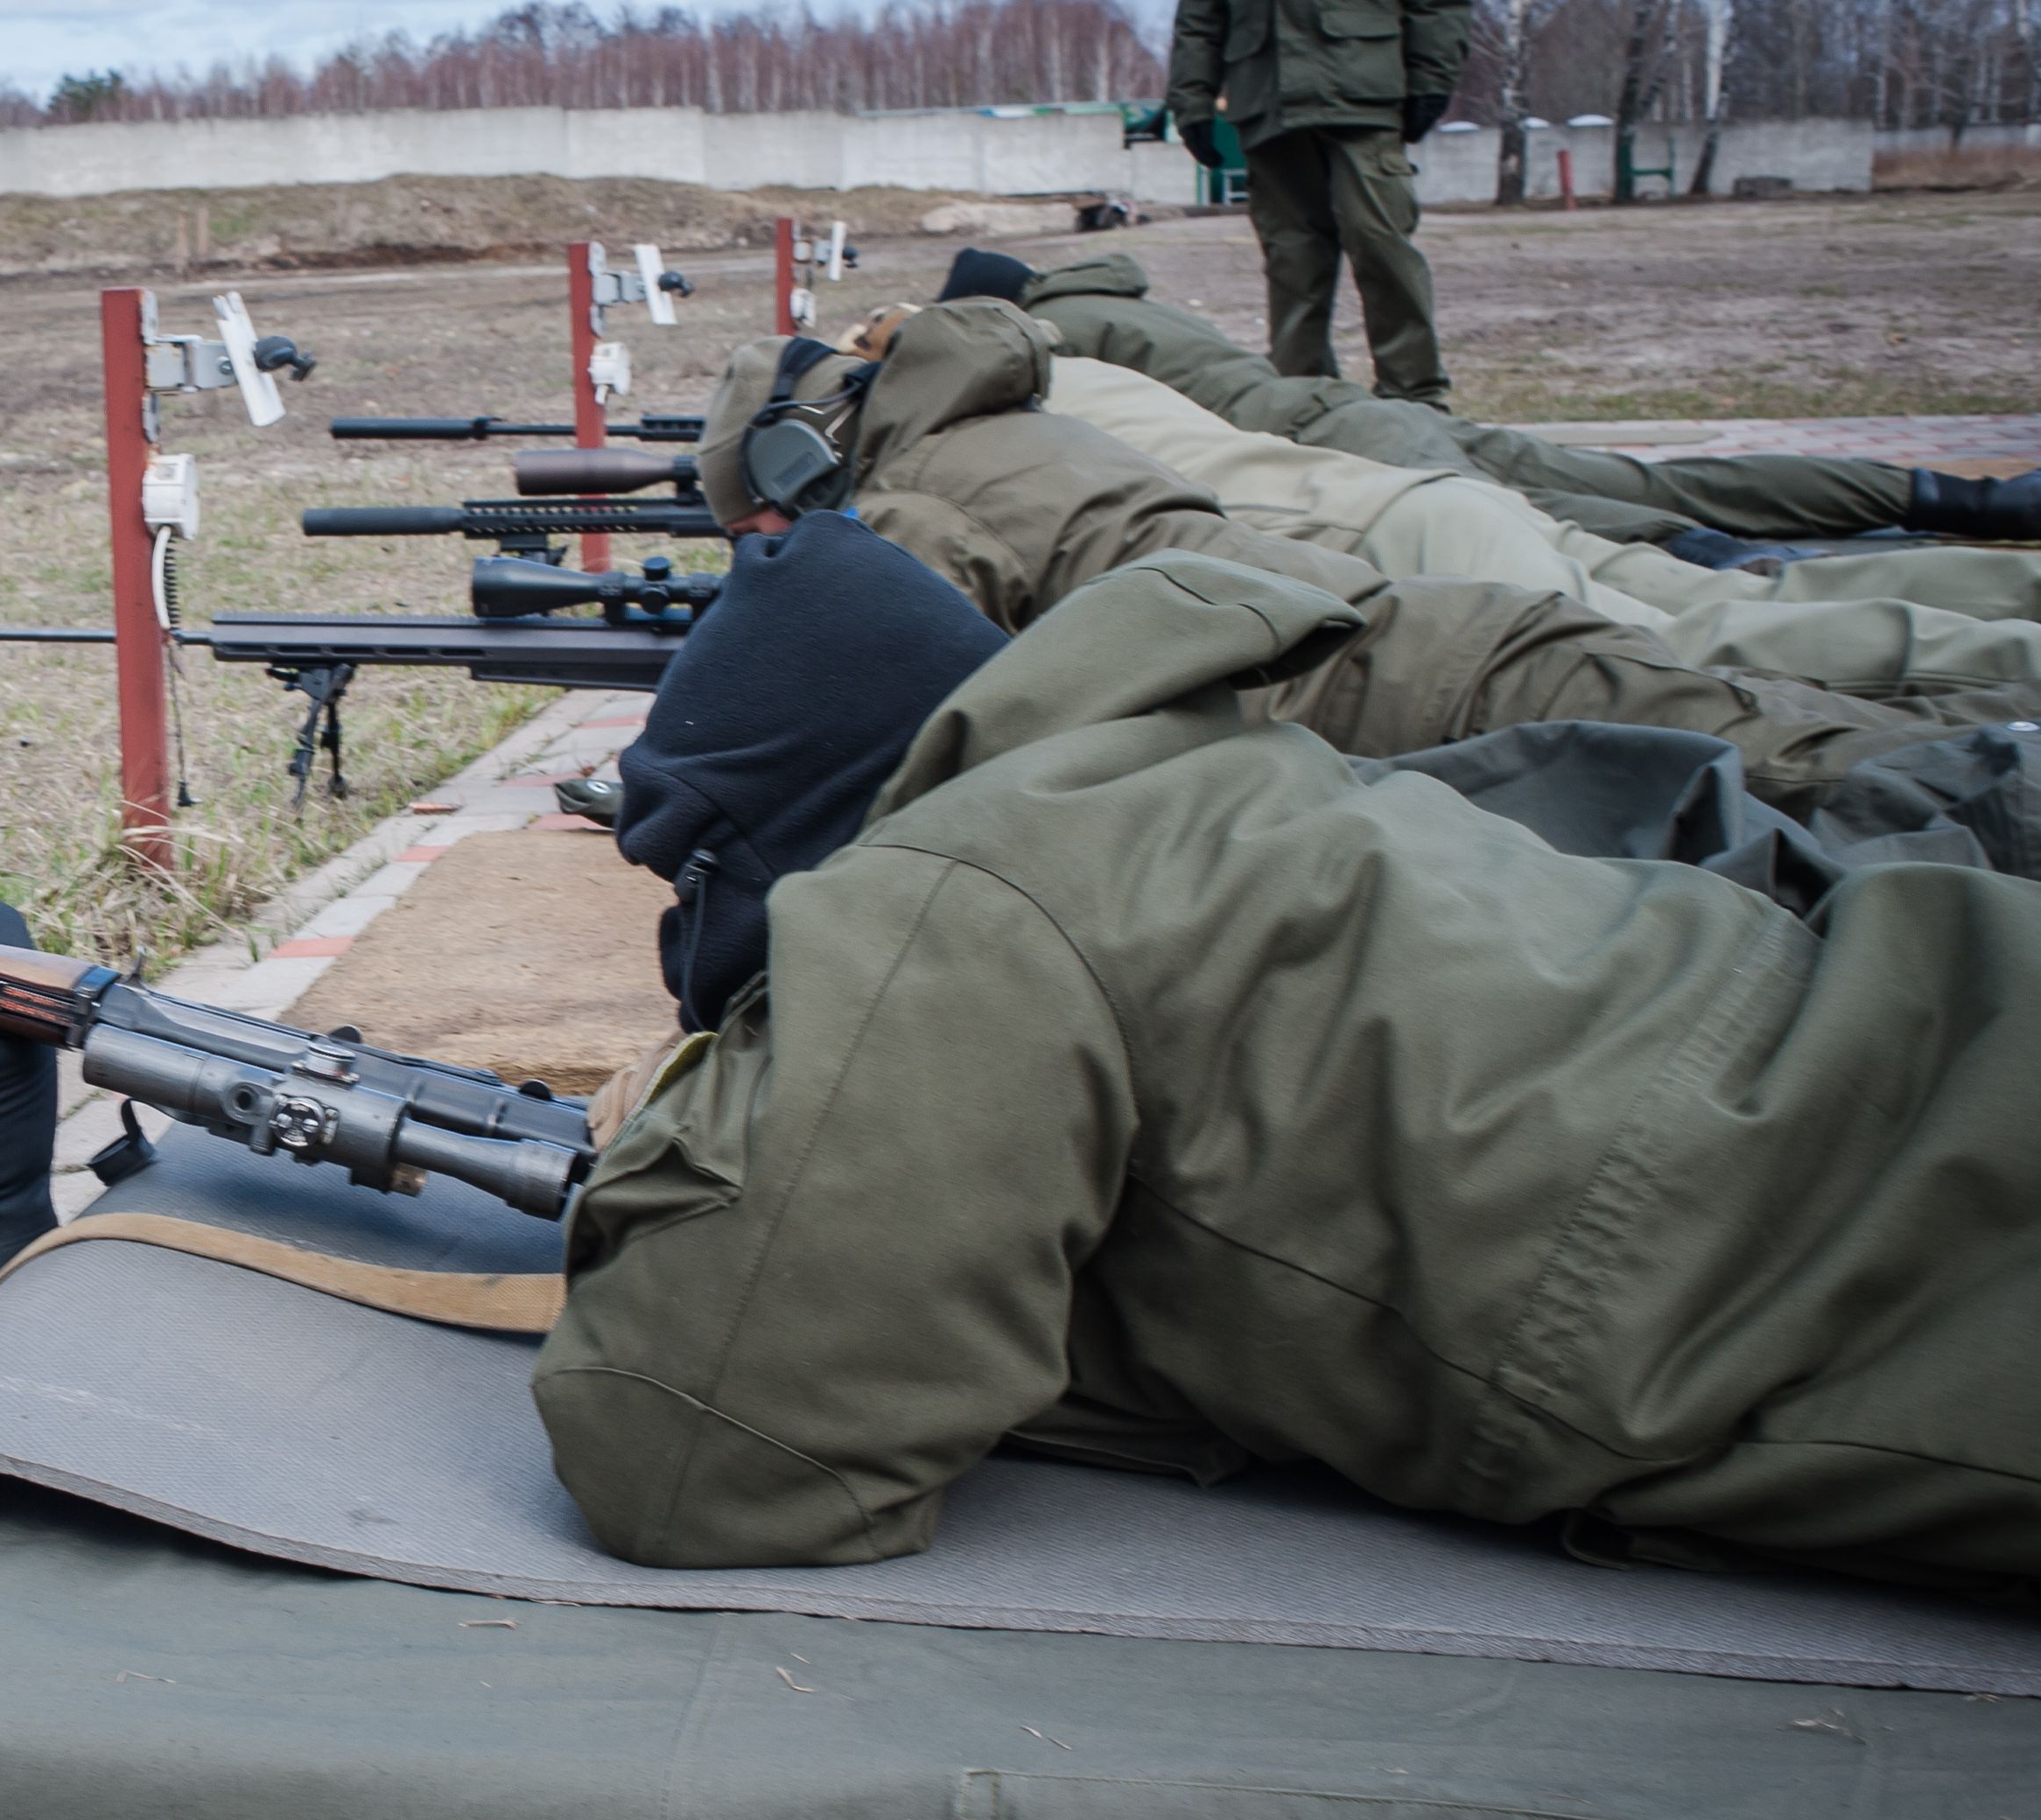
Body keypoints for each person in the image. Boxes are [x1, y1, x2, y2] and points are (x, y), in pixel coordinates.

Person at [537, 541, 2041, 1605]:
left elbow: (701, 1459)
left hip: (1890, 1247)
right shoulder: (1200, 776)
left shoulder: (962, 874)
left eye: (690, 876)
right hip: (1928, 1021)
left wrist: (710, 1118)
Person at [692, 311, 1989, 813]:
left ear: (807, 469)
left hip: (1418, 685)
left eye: (761, 535)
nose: (776, 563)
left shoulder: (920, 508)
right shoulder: (1002, 426)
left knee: (1865, 784)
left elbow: (920, 756)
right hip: (1435, 624)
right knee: (1829, 709)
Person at [1027, 346, 2041, 712]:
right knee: (1740, 606)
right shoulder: (1073, 371)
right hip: (1414, 491)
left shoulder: (986, 431)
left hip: (1402, 539)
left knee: (1710, 658)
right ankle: (2013, 623)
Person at [951, 248, 2041, 560]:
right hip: (1372, 413)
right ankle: (1959, 498)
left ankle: (1883, 570)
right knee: (1661, 487)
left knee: (1651, 556)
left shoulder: (1061, 336)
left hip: (1357, 459)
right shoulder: (1126, 300)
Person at [1167, 0, 1467, 403]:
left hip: (1362, 88)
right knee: (1293, 260)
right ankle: (1303, 401)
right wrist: (1191, 99)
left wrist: (1431, 76)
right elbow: (1199, 18)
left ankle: (1416, 395)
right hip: (1266, 96)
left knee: (1380, 243)